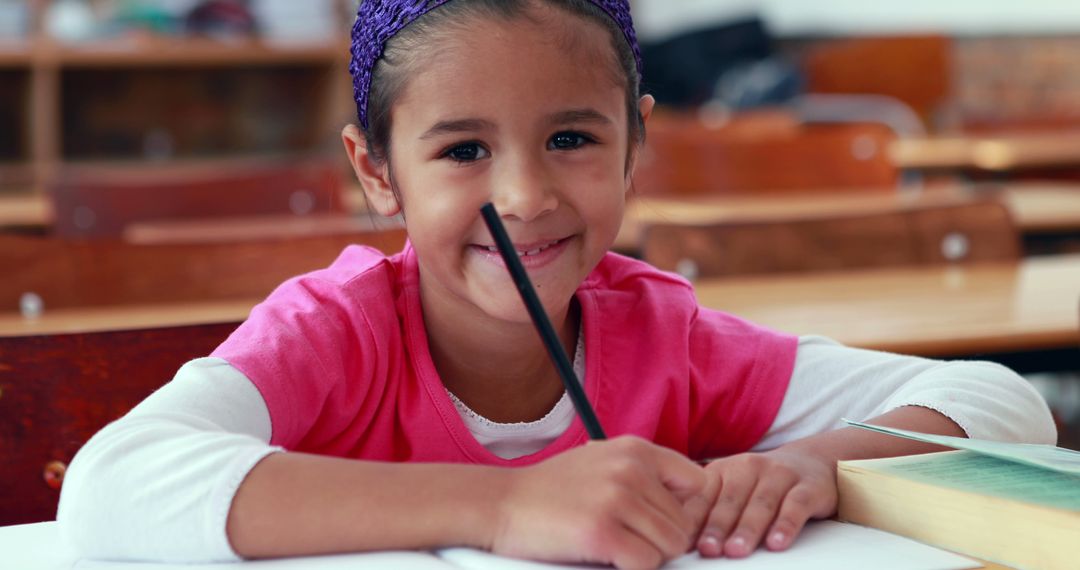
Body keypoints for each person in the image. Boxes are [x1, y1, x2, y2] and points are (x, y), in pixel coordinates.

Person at [57, 1, 1056, 569]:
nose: (526, 196)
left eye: (572, 139)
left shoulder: (669, 337)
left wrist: (813, 465)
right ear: (376, 172)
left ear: (636, 148)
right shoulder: (336, 333)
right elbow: (107, 494)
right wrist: (500, 508)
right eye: (462, 150)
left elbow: (1003, 402)